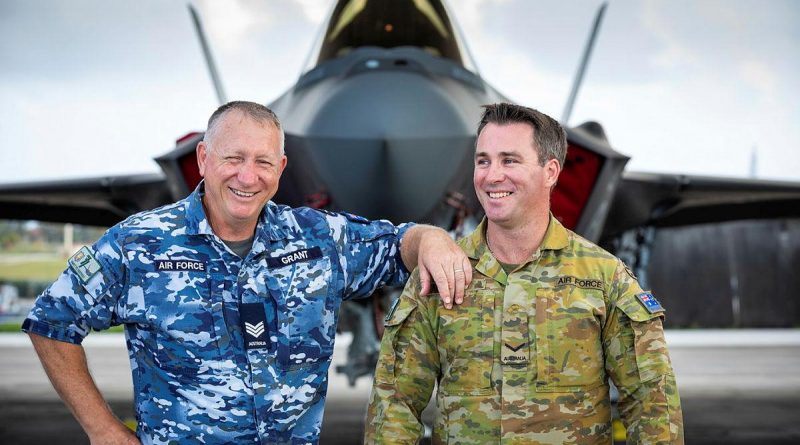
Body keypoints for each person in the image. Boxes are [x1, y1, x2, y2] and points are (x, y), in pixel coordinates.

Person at [22, 101, 473, 445]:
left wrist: (430, 238)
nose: (247, 176)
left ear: (280, 169)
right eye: (233, 158)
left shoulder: (319, 241)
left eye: (263, 162)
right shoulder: (139, 243)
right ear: (202, 158)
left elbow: (399, 244)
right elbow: (51, 321)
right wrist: (103, 431)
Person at [365, 103, 683, 444]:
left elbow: (652, 401)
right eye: (483, 160)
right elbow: (394, 406)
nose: (491, 175)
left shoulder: (605, 277)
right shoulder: (439, 274)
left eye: (509, 160)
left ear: (550, 171)